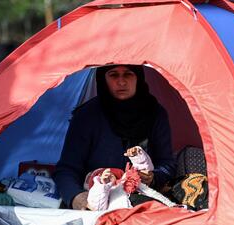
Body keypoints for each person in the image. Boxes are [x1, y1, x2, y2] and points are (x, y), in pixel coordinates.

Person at [53, 64, 176, 210]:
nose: (121, 82)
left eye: (128, 74)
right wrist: (76, 197)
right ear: (103, 79)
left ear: (139, 77)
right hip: (97, 199)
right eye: (113, 75)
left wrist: (153, 177)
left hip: (142, 199)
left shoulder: (155, 113)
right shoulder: (87, 116)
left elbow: (167, 164)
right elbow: (67, 168)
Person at [86, 146, 154, 211]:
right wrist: (102, 185)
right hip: (123, 217)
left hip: (148, 208)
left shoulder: (126, 181)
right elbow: (97, 207)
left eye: (107, 172)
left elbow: (142, 171)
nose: (106, 175)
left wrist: (137, 156)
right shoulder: (104, 195)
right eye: (100, 176)